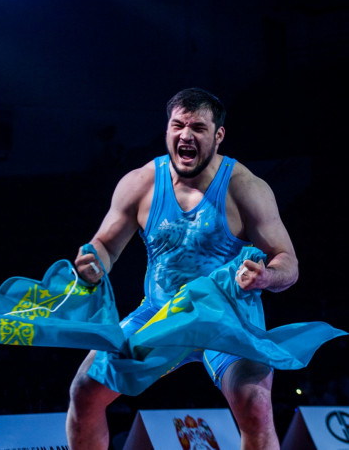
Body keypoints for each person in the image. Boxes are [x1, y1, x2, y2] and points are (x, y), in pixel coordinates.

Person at [66, 87, 299, 450]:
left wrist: (267, 276)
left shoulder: (245, 188)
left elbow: (288, 262)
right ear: (167, 130)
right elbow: (105, 246)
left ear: (218, 135)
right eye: (178, 126)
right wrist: (93, 262)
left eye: (198, 128)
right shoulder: (141, 183)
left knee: (255, 406)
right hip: (161, 312)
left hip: (228, 318)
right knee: (85, 389)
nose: (186, 136)